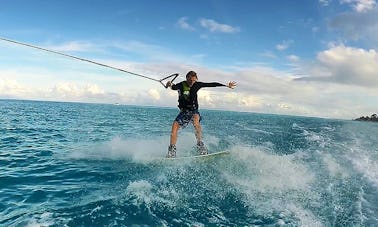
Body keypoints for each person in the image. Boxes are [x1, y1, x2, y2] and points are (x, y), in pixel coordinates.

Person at [165, 70, 237, 158]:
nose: (192, 82)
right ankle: (172, 151)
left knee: (196, 123)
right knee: (174, 127)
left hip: (194, 110)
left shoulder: (197, 85)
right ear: (187, 78)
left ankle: (200, 146)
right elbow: (173, 87)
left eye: (194, 80)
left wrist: (226, 85)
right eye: (190, 80)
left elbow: (211, 84)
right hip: (184, 112)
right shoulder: (181, 85)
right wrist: (169, 84)